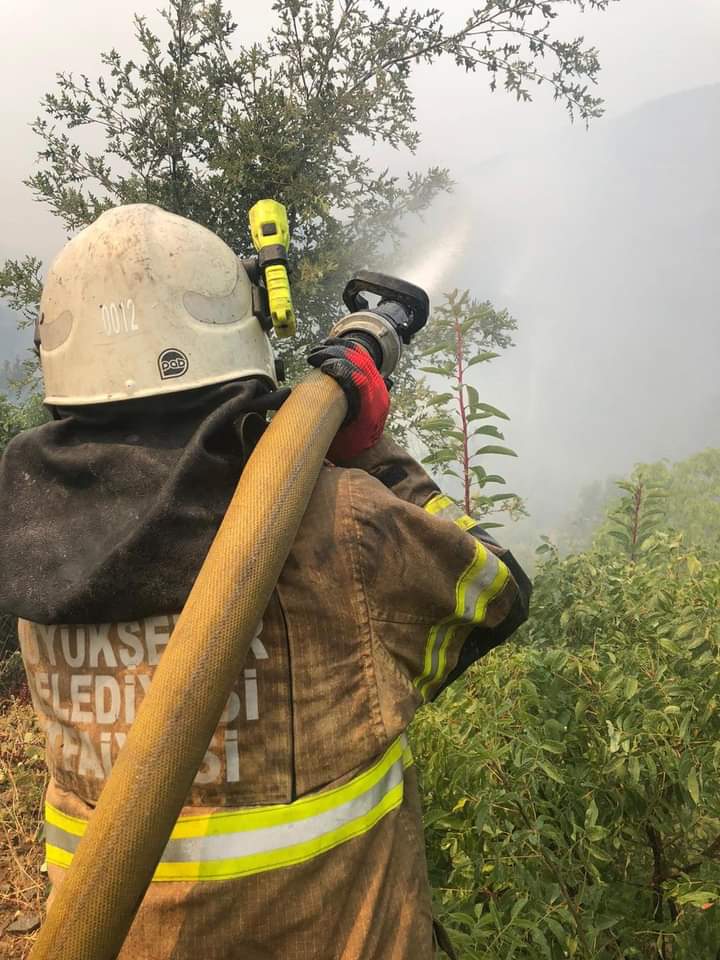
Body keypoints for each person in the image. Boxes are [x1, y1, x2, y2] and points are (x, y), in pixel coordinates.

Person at [0, 204, 531, 960]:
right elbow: (497, 591)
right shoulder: (334, 520)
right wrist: (369, 451)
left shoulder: (30, 533)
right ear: (241, 339)